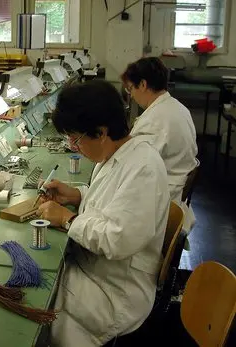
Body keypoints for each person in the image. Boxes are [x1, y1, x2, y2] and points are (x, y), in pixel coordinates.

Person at [35, 80, 170, 346]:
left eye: (77, 139)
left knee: (37, 295)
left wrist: (66, 218)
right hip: (96, 271)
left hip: (114, 292)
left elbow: (117, 239)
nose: (75, 146)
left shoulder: (143, 167)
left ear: (101, 132)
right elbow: (112, 202)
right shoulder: (115, 155)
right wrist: (78, 195)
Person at [121, 57, 198, 203]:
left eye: (130, 89)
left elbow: (133, 168)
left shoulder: (155, 121)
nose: (131, 96)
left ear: (142, 84)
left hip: (161, 197)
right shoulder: (177, 107)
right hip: (172, 184)